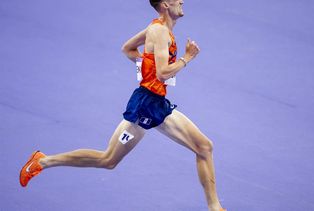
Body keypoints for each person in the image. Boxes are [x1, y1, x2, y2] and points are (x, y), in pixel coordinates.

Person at [19, 0, 226, 210]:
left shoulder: (156, 29)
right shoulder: (160, 32)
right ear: (165, 4)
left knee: (204, 147)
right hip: (145, 105)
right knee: (108, 159)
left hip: (156, 103)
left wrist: (146, 65)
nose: (182, 1)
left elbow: (128, 49)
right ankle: (42, 161)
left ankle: (215, 208)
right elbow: (163, 73)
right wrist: (187, 58)